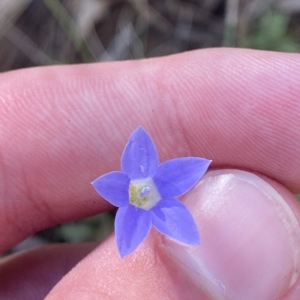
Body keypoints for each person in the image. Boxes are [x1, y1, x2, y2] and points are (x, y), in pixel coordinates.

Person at [0, 48, 299, 300]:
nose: (140, 193)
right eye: (136, 192)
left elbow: (188, 172)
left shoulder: (153, 181)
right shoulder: (122, 196)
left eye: (139, 192)